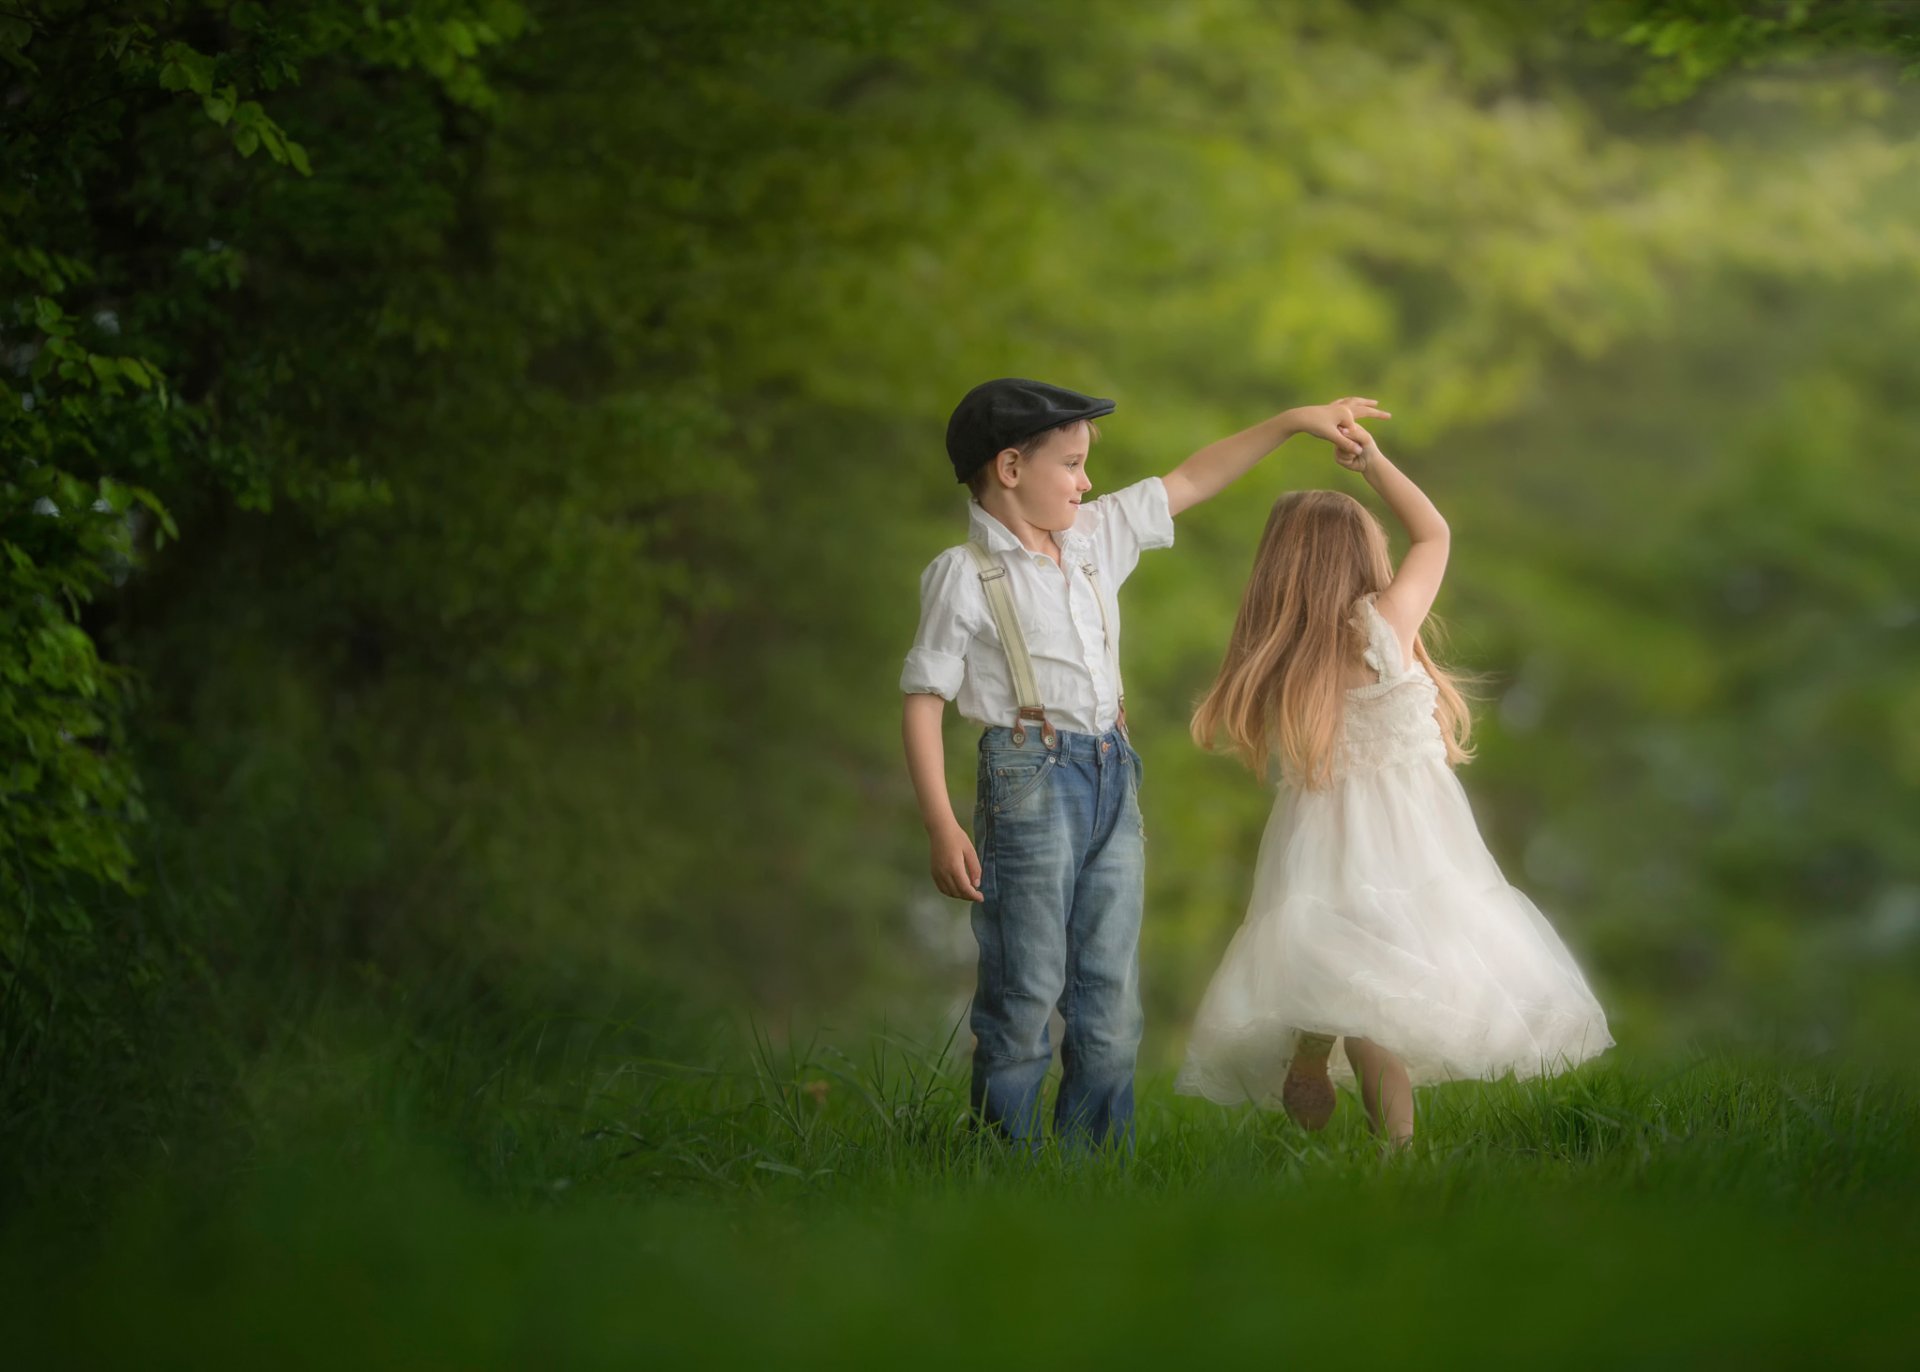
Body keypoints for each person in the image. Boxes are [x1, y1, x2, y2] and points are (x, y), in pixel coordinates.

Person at [901, 378, 1387, 1150]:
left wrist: (1295, 423)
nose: (1087, 481)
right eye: (1071, 464)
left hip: (1111, 774)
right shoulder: (961, 575)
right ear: (1010, 468)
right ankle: (1007, 1162)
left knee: (1110, 992)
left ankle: (1094, 1164)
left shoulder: (1094, 538)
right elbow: (924, 697)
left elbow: (1193, 478)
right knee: (1024, 986)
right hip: (1027, 776)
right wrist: (939, 822)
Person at [1175, 434, 1613, 1146]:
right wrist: (1373, 464)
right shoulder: (1385, 626)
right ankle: (1398, 1153)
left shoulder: (1285, 655)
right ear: (1360, 556)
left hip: (1319, 838)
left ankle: (1316, 1050)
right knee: (1380, 981)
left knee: (1337, 955)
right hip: (1410, 835)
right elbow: (1434, 532)